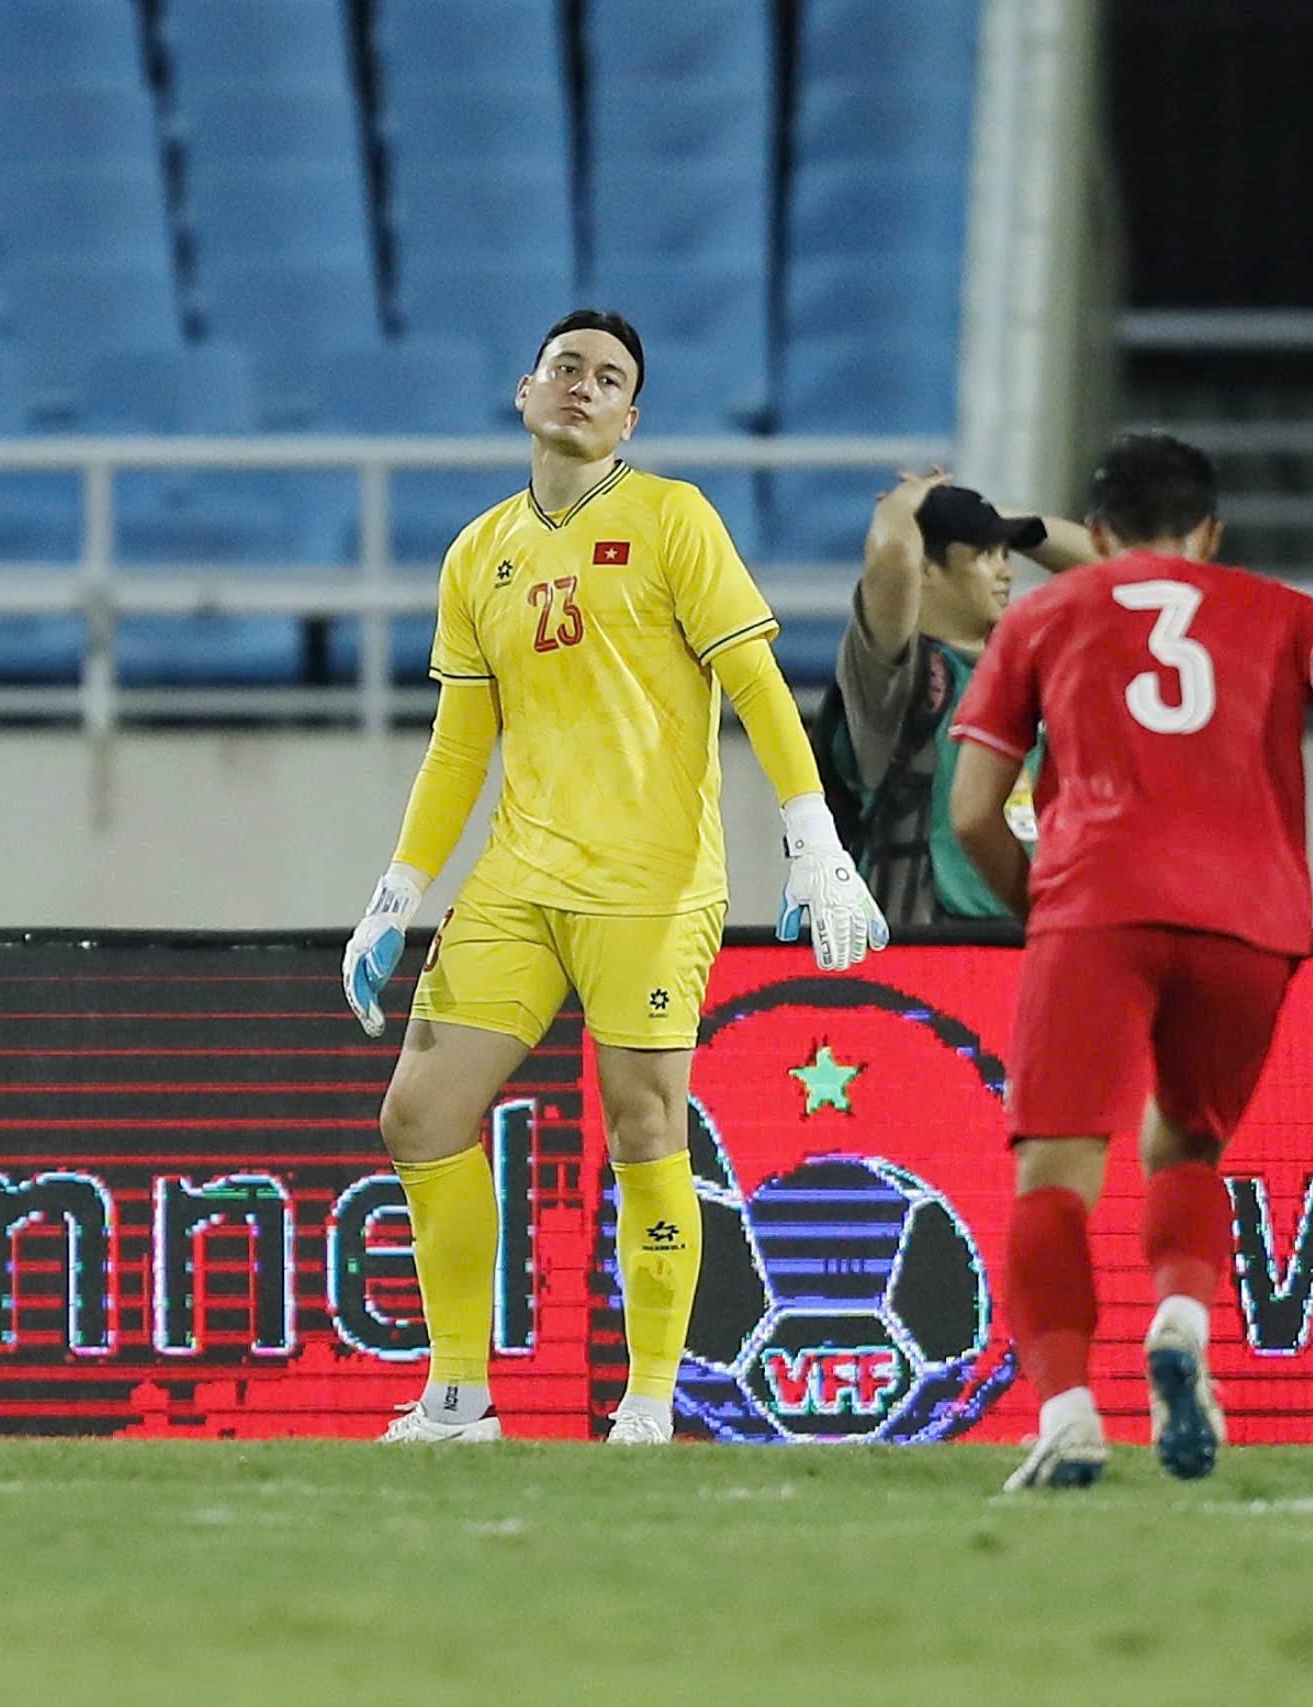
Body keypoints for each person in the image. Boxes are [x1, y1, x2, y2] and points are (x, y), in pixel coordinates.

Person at [341, 310, 888, 1446]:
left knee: (645, 1128)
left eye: (610, 379)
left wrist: (813, 838)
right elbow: (458, 744)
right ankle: (456, 1401)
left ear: (629, 417)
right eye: (567, 369)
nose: (584, 387)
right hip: (518, 879)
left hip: (651, 881)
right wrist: (399, 891)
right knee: (419, 1113)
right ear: (525, 391)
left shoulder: (670, 517)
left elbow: (755, 682)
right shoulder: (475, 550)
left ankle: (646, 1402)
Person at [947, 431, 1313, 1491]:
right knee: (1189, 1147)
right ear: (1208, 532)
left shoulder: (1043, 615)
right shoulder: (1274, 608)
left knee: (1056, 1177)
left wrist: (1045, 906)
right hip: (1253, 919)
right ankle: (1179, 1320)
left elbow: (974, 810)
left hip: (1097, 899)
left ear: (1098, 534)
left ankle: (1067, 1410)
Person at [823, 473, 1095, 924]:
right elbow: (893, 554)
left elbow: (1121, 569)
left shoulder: (1026, 663)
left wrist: (997, 518)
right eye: (985, 555)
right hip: (926, 945)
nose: (1007, 571)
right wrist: (906, 502)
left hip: (1031, 932)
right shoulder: (893, 674)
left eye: (1006, 554)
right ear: (927, 568)